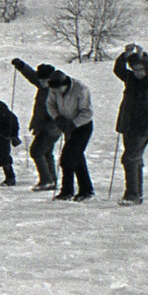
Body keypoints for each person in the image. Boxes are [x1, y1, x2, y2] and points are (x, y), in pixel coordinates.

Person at [113, 44, 148, 205]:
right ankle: (137, 194)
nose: (139, 73)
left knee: (129, 159)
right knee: (135, 159)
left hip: (143, 127)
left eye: (141, 70)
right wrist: (125, 55)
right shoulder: (131, 80)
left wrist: (143, 58)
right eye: (136, 70)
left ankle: (132, 194)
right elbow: (118, 70)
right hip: (128, 125)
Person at [11, 58, 60, 192]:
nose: (41, 82)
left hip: (51, 128)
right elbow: (32, 76)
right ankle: (52, 181)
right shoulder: (43, 86)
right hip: (45, 127)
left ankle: (46, 180)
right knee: (46, 153)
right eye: (40, 80)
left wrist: (49, 126)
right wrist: (21, 66)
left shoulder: (56, 90)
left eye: (44, 80)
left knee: (36, 151)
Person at [46, 70, 95, 201]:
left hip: (82, 127)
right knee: (76, 158)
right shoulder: (54, 89)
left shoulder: (81, 89)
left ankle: (67, 191)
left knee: (67, 158)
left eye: (59, 89)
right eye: (54, 90)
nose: (57, 92)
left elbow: (88, 112)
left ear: (65, 84)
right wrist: (58, 118)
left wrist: (73, 124)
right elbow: (50, 104)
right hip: (67, 126)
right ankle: (86, 190)